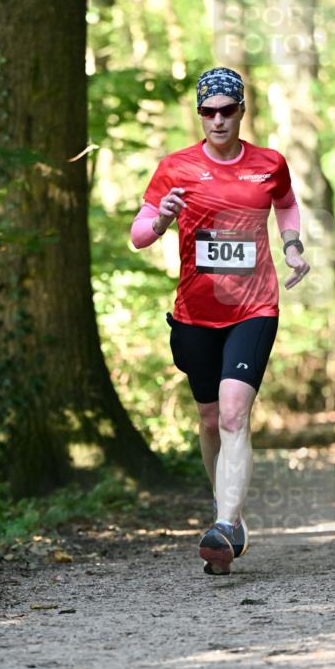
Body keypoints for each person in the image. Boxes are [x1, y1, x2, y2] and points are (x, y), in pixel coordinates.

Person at [130, 67, 310, 575]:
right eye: (207, 111)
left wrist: (292, 246)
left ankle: (229, 523)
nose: (217, 119)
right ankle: (222, 512)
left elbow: (287, 205)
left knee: (233, 414)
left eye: (226, 109)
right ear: (199, 114)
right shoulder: (176, 167)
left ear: (241, 111)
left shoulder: (269, 164)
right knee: (210, 420)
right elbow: (139, 235)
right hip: (194, 314)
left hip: (254, 309)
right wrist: (162, 218)